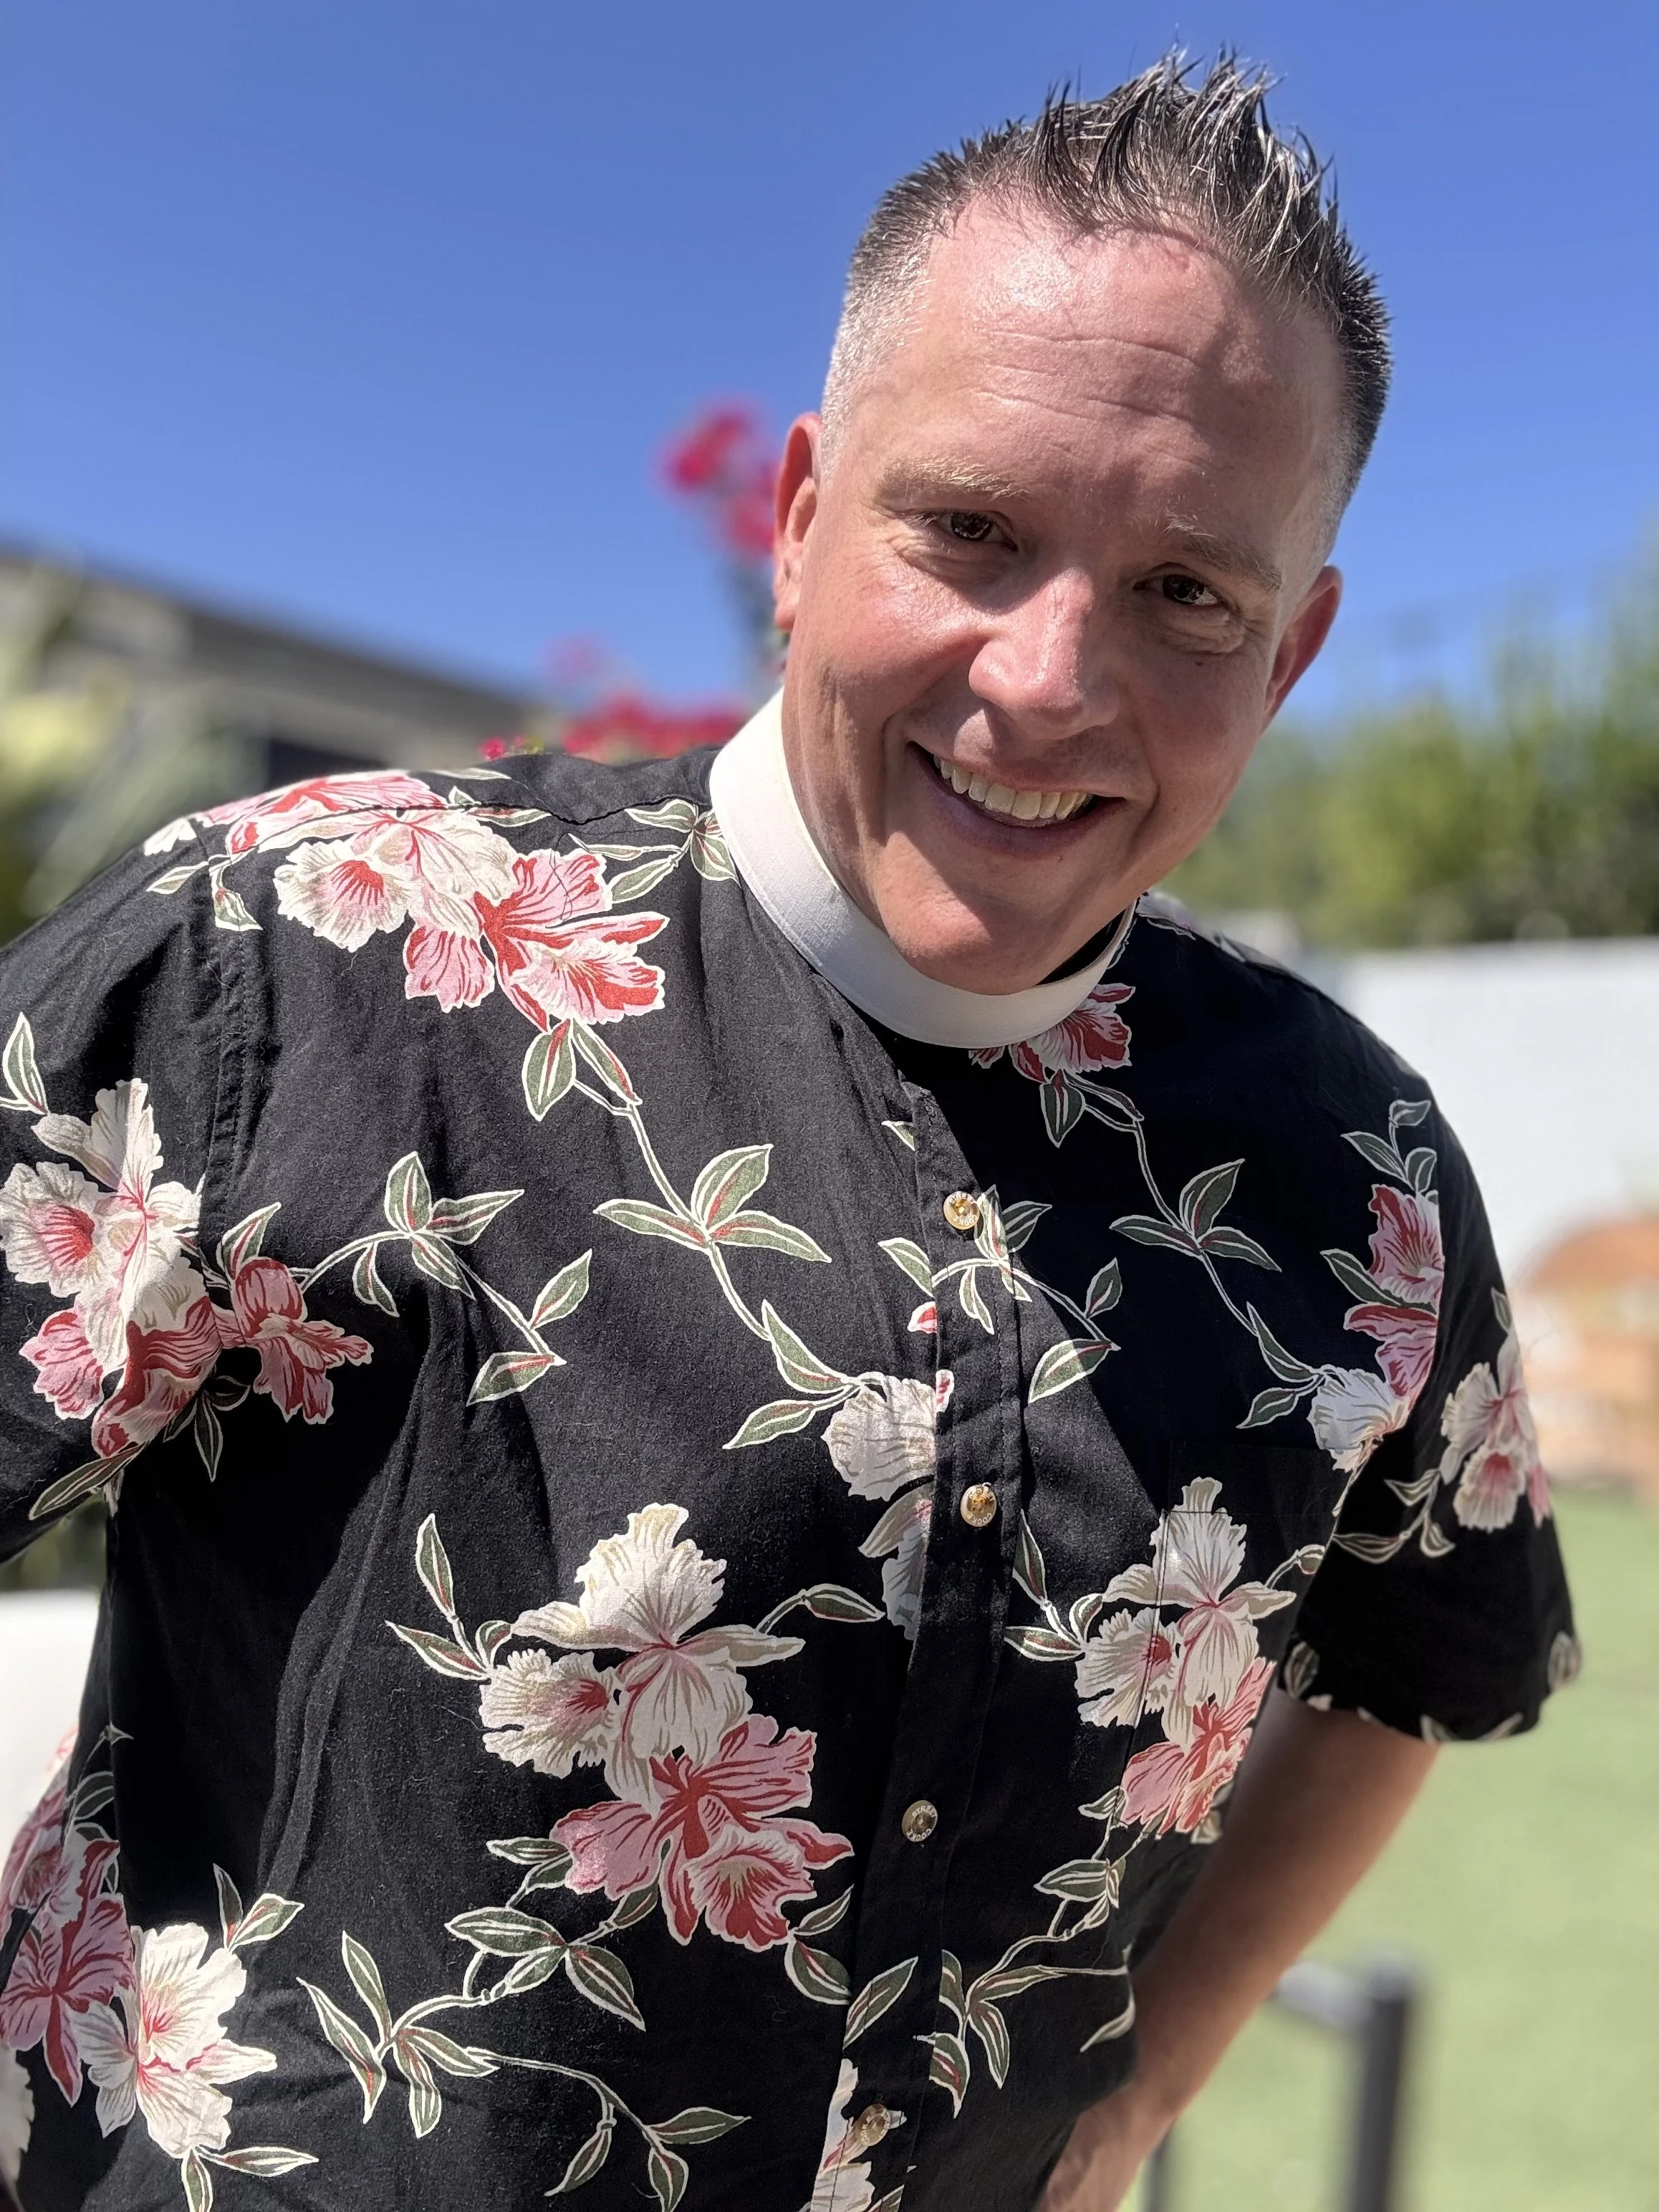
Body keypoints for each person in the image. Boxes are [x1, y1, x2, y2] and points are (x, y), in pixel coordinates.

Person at [0, 55, 1574, 2212]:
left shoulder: (1354, 1173)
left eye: (1185, 595)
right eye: (973, 530)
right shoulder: (299, 958)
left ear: (1291, 646)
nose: (1043, 682)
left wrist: (1136, 2097)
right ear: (803, 512)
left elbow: (1421, 1660)